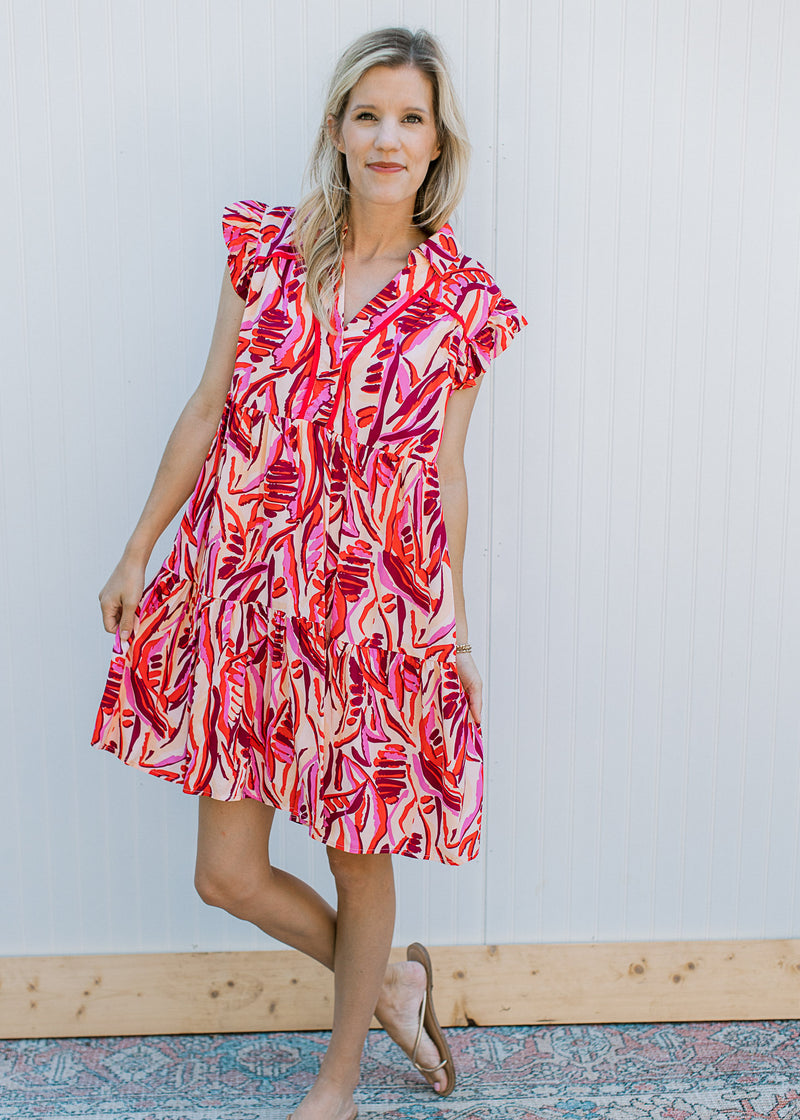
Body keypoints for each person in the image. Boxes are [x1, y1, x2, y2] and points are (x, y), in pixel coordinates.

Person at [93, 25, 525, 1120]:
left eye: (410, 119)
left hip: (370, 612)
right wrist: (141, 546)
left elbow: (443, 477)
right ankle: (390, 982)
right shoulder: (266, 250)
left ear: (437, 145)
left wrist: (452, 626)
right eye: (367, 113)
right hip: (240, 587)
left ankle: (336, 1079)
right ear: (336, 129)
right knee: (226, 872)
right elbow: (208, 408)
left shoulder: (459, 301)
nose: (387, 136)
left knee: (355, 856)